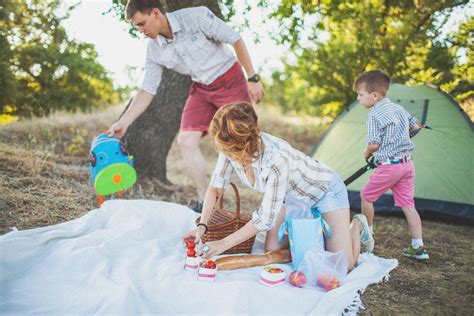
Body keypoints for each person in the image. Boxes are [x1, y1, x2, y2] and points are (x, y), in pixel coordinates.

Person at [108, 0, 265, 213]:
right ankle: (208, 202)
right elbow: (147, 90)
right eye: (137, 27)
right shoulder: (154, 49)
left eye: (142, 24)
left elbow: (235, 40)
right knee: (186, 141)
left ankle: (271, 193)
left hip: (230, 79)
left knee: (244, 144)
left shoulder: (196, 17)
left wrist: (252, 77)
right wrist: (123, 122)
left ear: (156, 13)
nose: (141, 31)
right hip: (201, 87)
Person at [182, 102, 373, 271]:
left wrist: (222, 244)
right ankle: (314, 235)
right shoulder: (229, 147)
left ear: (244, 145)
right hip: (288, 197)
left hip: (325, 192)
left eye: (230, 151)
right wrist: (202, 227)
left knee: (343, 265)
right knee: (272, 250)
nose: (225, 155)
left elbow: (264, 219)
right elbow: (216, 189)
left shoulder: (276, 160)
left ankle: (356, 225)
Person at [354, 69, 429, 260]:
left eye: (360, 95)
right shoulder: (399, 109)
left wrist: (367, 153)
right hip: (407, 165)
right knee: (408, 205)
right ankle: (418, 246)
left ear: (374, 95)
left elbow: (374, 144)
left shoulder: (374, 115)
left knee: (366, 196)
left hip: (390, 167)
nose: (358, 99)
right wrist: (401, 138)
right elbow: (415, 126)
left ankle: (367, 236)